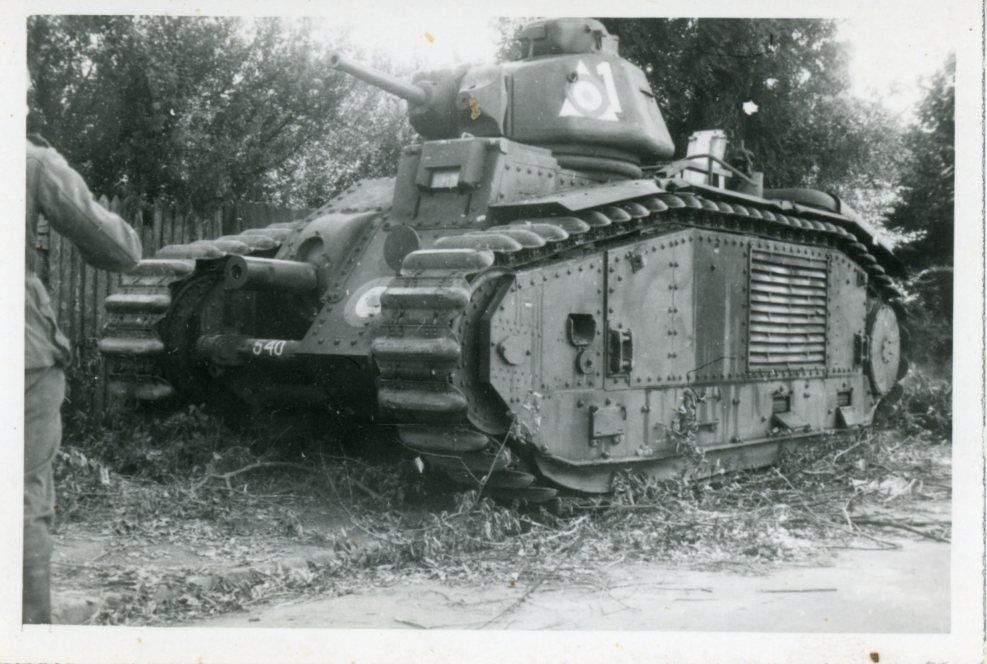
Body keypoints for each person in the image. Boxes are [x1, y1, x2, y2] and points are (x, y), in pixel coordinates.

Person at [24, 134, 142, 623]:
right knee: (20, 495)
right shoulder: (29, 161)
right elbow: (122, 249)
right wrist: (54, 168)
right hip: (20, 352)